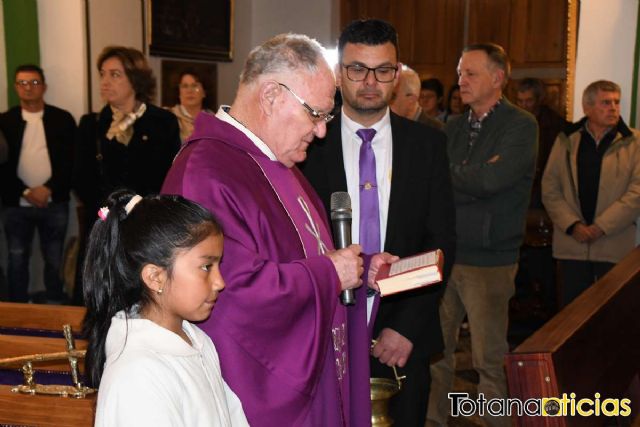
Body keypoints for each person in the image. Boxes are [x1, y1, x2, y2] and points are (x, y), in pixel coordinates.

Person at [162, 33, 392, 426]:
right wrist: (329, 275)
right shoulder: (206, 171)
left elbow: (310, 250)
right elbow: (227, 292)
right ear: (270, 96)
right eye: (315, 114)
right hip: (256, 397)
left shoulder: (278, 165)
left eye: (326, 118)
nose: (321, 132)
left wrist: (359, 266)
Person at [301, 19, 456, 427]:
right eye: (357, 69)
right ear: (339, 73)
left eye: (383, 70)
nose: (370, 82)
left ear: (398, 72)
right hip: (325, 326)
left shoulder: (428, 145)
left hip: (403, 336)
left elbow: (440, 244)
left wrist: (405, 326)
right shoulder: (309, 144)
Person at [426, 43, 537, 427]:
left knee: (488, 360)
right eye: (460, 73)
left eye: (471, 73)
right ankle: (434, 421)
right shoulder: (452, 126)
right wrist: (471, 176)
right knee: (435, 355)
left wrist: (459, 174)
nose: (461, 81)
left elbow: (493, 179)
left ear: (497, 78)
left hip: (489, 259)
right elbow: (437, 183)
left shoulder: (520, 125)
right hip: (446, 253)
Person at [83, 190, 248, 426]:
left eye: (218, 265)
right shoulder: (137, 375)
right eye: (206, 267)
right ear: (155, 277)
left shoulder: (197, 340)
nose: (220, 282)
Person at [73, 46, 181, 304]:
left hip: (145, 228)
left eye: (115, 74)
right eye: (102, 74)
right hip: (102, 226)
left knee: (143, 301)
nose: (105, 82)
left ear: (135, 79)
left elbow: (169, 177)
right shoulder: (92, 124)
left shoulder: (162, 121)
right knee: (100, 300)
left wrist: (139, 211)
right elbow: (80, 178)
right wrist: (108, 213)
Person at [542, 80, 640, 306]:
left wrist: (601, 226)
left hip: (614, 243)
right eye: (606, 103)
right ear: (587, 107)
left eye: (616, 102)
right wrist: (572, 224)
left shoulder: (634, 142)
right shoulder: (566, 139)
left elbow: (636, 192)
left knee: (612, 315)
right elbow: (550, 187)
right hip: (572, 245)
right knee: (572, 316)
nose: (614, 108)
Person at [0, 64, 76, 303]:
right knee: (16, 258)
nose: (28, 88)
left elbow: (72, 161)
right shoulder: (4, 121)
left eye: (34, 82)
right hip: (16, 204)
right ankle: (17, 309)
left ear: (44, 86)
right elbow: (1, 167)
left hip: (54, 203)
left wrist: (48, 188)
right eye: (22, 83)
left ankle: (54, 308)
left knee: (54, 258)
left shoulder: (62, 119)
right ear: (15, 88)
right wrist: (25, 191)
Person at [390, 65, 443, 130]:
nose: (385, 102)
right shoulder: (385, 126)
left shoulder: (437, 130)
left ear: (411, 100)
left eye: (392, 97)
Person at [168, 68, 214, 142]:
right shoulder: (168, 117)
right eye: (185, 86)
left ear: (204, 92)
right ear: (179, 93)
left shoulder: (214, 120)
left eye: (195, 86)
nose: (189, 91)